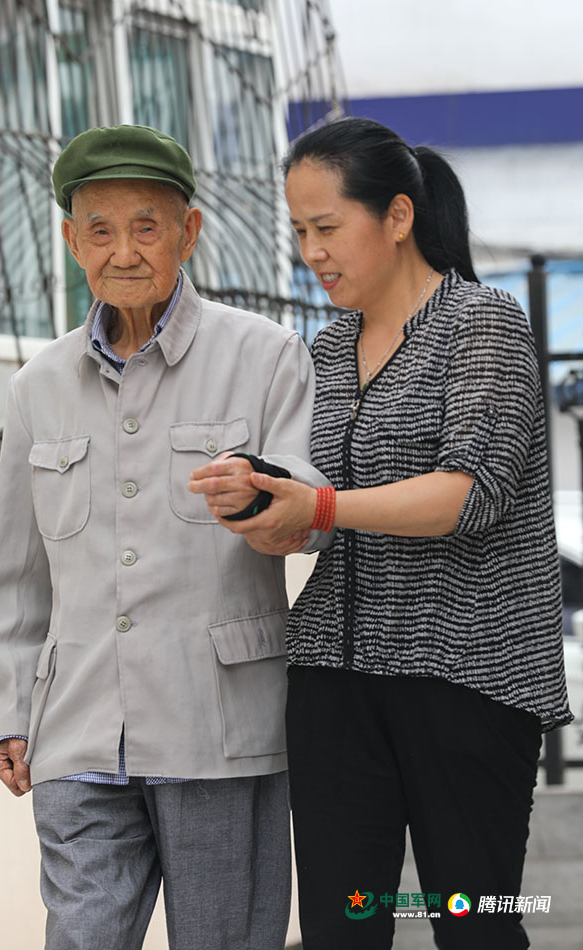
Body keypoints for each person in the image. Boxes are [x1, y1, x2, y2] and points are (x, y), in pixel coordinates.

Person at [189, 117, 573, 950]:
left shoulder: (483, 323)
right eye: (299, 231)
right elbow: (318, 513)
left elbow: (467, 495)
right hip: (333, 680)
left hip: (466, 677)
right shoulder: (325, 351)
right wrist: (263, 508)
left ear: (397, 216)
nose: (311, 252)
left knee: (471, 925)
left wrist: (319, 508)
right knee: (342, 927)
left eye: (327, 227)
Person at [0, 124, 329, 950]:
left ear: (188, 232)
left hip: (218, 725)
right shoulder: (36, 387)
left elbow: (311, 512)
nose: (123, 252)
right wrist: (6, 711)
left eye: (146, 227)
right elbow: (13, 578)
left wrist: (264, 498)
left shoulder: (265, 354)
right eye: (99, 230)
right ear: (72, 243)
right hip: (76, 729)